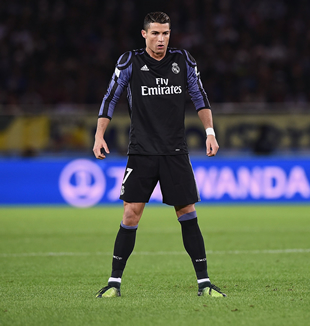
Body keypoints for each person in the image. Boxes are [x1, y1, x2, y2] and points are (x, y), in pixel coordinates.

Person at [93, 12, 226, 298]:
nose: (161, 39)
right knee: (131, 214)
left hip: (175, 151)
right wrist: (99, 134)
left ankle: (204, 284)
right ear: (144, 35)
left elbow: (199, 95)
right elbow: (111, 96)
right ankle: (114, 283)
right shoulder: (130, 62)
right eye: (155, 33)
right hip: (141, 151)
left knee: (187, 212)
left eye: (165, 33)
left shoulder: (183, 61)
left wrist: (210, 133)